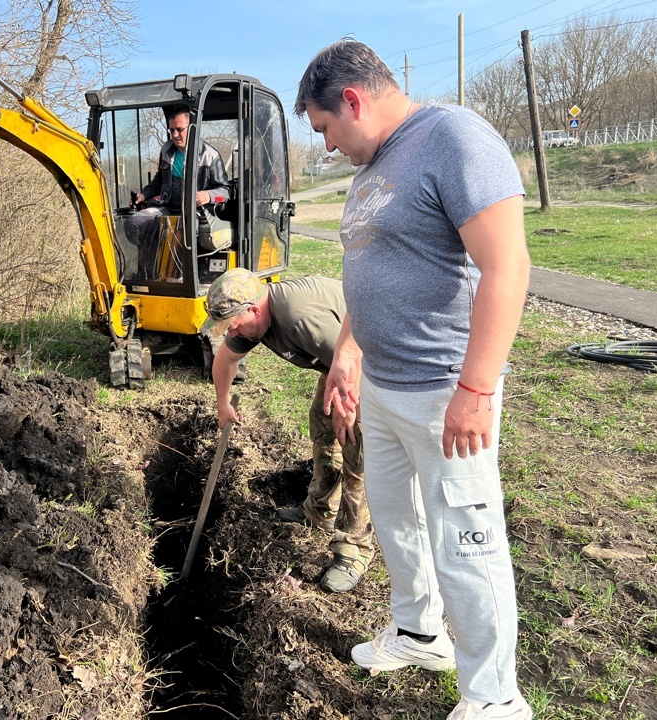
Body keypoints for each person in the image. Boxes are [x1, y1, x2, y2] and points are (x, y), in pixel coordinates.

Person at [295, 40, 532, 720]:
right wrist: (347, 354)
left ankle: (494, 696)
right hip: (385, 388)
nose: (329, 147)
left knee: (465, 536)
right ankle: (419, 631)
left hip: (444, 389)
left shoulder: (453, 138)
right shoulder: (373, 169)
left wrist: (478, 388)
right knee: (399, 525)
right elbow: (367, 270)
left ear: (352, 100)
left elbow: (507, 266)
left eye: (324, 130)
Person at [204, 268, 374, 593]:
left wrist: (347, 408)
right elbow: (225, 360)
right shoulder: (251, 321)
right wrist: (223, 403)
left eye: (234, 324)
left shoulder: (299, 318)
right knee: (323, 432)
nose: (233, 332)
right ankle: (320, 512)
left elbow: (359, 357)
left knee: (357, 455)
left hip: (373, 363)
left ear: (253, 309)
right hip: (338, 362)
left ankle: (353, 551)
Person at [123, 107, 230, 280]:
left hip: (194, 213)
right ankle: (148, 276)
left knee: (180, 227)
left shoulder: (210, 155)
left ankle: (176, 280)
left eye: (180, 129)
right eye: (171, 130)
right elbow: (159, 181)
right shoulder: (167, 150)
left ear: (192, 128)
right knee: (135, 223)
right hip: (167, 206)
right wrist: (144, 195)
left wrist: (208, 196)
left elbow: (225, 191)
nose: (175, 134)